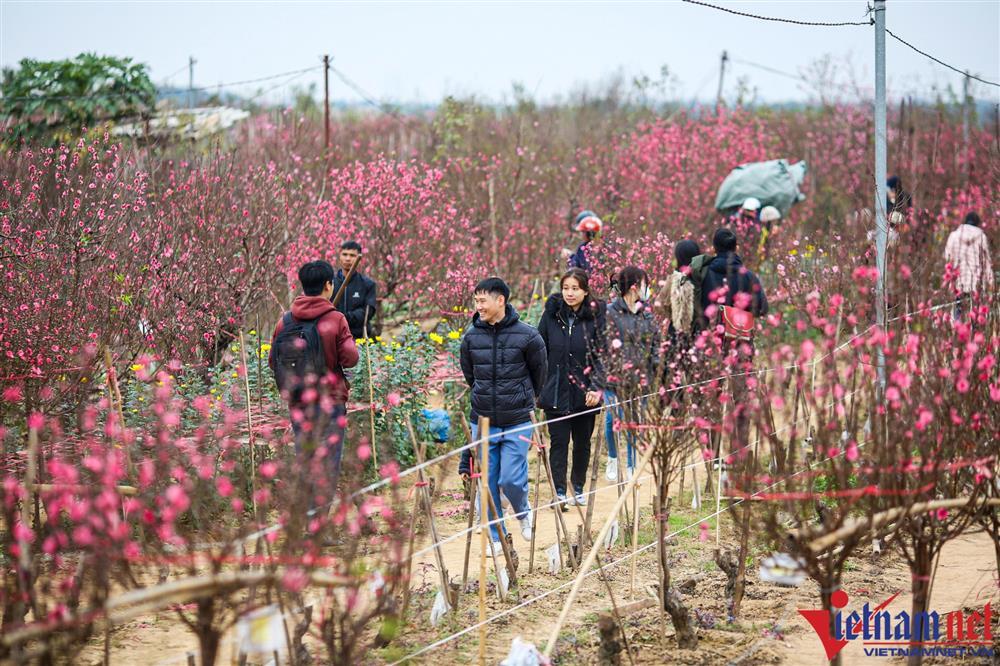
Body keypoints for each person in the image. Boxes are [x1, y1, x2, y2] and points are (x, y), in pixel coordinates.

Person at [459, 277, 547, 552]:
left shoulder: (528, 336)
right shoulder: (471, 337)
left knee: (510, 478)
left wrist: (522, 397)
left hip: (517, 419)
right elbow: (470, 375)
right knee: (489, 481)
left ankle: (522, 510)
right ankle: (496, 537)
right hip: (483, 420)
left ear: (501, 301)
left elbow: (539, 374)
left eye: (483, 300)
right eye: (476, 301)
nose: (478, 306)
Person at [269, 260, 360, 505]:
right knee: (328, 463)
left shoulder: (285, 322)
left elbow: (272, 362)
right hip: (330, 401)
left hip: (298, 401)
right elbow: (350, 358)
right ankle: (318, 526)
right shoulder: (335, 319)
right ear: (328, 285)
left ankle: (306, 519)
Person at [536, 268, 606, 508]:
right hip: (555, 389)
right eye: (566, 288)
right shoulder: (551, 316)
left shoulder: (595, 318)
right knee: (558, 442)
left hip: (585, 393)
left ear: (585, 291)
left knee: (582, 442)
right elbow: (539, 350)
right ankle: (558, 491)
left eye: (575, 288)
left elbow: (602, 355)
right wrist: (540, 385)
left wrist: (596, 387)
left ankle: (577, 487)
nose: (569, 293)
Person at [700, 228, 768, 456]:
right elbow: (762, 307)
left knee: (713, 399)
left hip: (713, 345)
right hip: (742, 344)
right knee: (741, 399)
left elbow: (699, 308)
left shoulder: (706, 273)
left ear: (714, 248)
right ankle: (739, 454)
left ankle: (713, 454)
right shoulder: (748, 276)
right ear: (736, 248)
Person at [603, 266, 660, 481]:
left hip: (640, 378)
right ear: (635, 288)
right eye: (646, 285)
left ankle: (631, 464)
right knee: (612, 419)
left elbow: (655, 344)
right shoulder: (609, 312)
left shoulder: (646, 315)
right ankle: (613, 458)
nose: (648, 290)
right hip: (613, 377)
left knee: (634, 421)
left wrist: (653, 367)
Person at [944, 211, 994, 317]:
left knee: (958, 309)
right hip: (976, 282)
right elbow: (987, 262)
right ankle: (974, 331)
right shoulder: (982, 237)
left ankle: (957, 331)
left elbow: (947, 257)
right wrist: (990, 282)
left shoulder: (953, 236)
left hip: (958, 281)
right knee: (975, 313)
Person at [331, 240, 378, 340]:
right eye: (345, 254)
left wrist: (342, 318)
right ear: (339, 256)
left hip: (358, 338)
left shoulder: (367, 284)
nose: (348, 259)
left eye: (352, 255)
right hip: (333, 337)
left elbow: (367, 313)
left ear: (359, 258)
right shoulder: (329, 284)